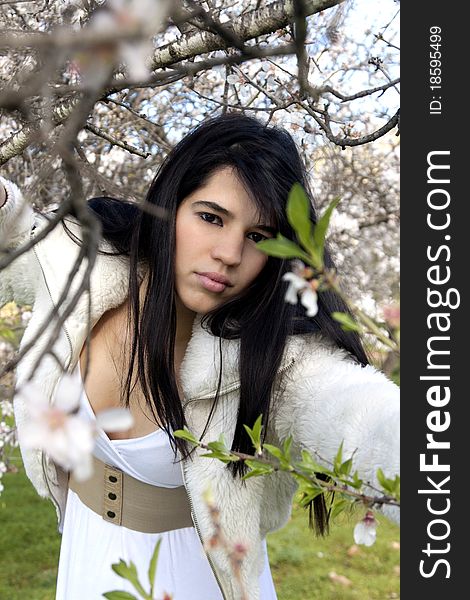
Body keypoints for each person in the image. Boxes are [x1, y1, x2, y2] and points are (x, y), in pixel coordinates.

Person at [0, 113, 399, 600]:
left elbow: (359, 416)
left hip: (196, 578)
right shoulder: (84, 266)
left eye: (257, 237)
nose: (230, 253)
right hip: (88, 556)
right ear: (170, 205)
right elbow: (17, 236)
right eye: (211, 217)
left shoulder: (273, 356)